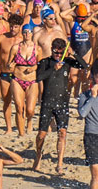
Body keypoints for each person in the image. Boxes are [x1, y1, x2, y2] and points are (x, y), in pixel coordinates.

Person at [33, 38, 84, 175]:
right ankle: (38, 154)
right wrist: (52, 69)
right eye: (55, 52)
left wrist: (74, 54)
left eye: (60, 53)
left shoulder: (67, 62)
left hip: (62, 103)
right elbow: (38, 77)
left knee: (62, 133)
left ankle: (59, 164)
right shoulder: (45, 62)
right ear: (52, 50)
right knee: (41, 134)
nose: (58, 56)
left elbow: (84, 65)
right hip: (47, 103)